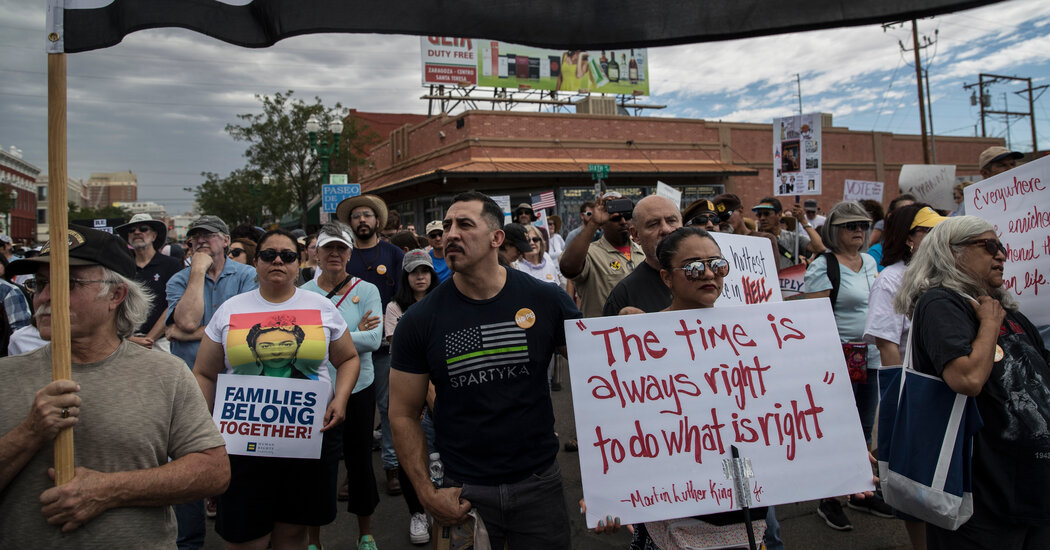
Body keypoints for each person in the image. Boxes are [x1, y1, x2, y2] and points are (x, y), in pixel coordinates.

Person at [0, 225, 229, 547]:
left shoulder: (165, 374)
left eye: (68, 283)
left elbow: (213, 471)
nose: (45, 297)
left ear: (116, 295)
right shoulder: (5, 376)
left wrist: (109, 490)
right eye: (40, 283)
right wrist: (30, 432)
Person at [389, 191, 581, 549]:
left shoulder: (546, 300)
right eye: (448, 225)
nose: (451, 234)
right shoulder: (418, 321)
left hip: (539, 484)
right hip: (462, 491)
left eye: (465, 224)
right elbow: (402, 413)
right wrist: (427, 493)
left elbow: (602, 372)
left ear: (496, 238)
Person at [193, 228, 362, 549]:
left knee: (292, 534)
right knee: (245, 538)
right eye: (269, 255)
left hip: (307, 439)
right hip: (242, 442)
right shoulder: (230, 309)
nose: (278, 261)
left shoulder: (321, 307)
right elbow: (204, 373)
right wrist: (205, 427)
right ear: (256, 262)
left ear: (300, 262)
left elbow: (349, 358)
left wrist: (340, 400)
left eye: (287, 256)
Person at [894, 216, 1050, 549]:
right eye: (989, 246)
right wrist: (989, 324)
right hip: (983, 502)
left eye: (1002, 246)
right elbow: (967, 378)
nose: (1001, 255)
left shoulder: (1008, 312)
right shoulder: (941, 303)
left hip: (1032, 493)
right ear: (952, 253)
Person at [165, 214, 257, 541]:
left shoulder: (248, 275)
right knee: (190, 456)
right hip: (193, 382)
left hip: (239, 383)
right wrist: (197, 272)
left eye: (209, 235)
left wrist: (186, 334)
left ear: (226, 241)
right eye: (196, 237)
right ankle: (190, 541)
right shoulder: (179, 280)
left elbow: (243, 329)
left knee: (239, 458)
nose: (201, 241)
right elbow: (187, 320)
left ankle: (242, 532)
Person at [862, 203, 945, 550]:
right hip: (914, 393)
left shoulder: (943, 274)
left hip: (947, 391)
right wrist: (900, 408)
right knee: (916, 483)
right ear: (909, 238)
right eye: (929, 230)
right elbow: (887, 346)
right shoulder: (891, 280)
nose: (938, 235)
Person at [804, 200, 889, 531]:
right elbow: (813, 319)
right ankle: (829, 498)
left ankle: (860, 489)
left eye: (863, 225)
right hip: (837, 360)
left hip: (871, 357)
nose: (858, 231)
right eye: (850, 226)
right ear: (834, 231)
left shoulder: (870, 261)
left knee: (864, 427)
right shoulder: (822, 266)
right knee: (837, 427)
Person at [301, 222, 384, 550]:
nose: (335, 254)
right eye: (328, 248)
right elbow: (299, 343)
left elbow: (375, 339)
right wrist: (352, 334)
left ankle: (365, 534)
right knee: (316, 467)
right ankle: (313, 540)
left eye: (341, 248)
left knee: (360, 462)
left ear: (350, 254)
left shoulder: (368, 290)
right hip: (316, 391)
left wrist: (325, 337)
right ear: (316, 254)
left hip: (359, 388)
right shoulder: (303, 294)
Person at [337, 194, 405, 496]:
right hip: (348, 350)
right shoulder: (343, 255)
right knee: (353, 413)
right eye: (356, 216)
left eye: (367, 215)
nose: (362, 220)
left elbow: (403, 298)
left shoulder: (393, 254)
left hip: (385, 350)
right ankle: (356, 471)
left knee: (390, 409)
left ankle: (391, 466)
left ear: (378, 221)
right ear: (350, 223)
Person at [384, 249, 441, 545]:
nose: (420, 276)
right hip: (408, 389)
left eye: (425, 271)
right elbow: (401, 350)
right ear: (406, 276)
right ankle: (417, 512)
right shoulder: (395, 307)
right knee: (411, 452)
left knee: (446, 452)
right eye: (414, 272)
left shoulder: (445, 301)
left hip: (443, 386)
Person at [560, 194, 644, 317]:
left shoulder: (645, 252)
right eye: (615, 218)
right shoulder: (589, 254)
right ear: (603, 223)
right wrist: (593, 223)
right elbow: (568, 266)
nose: (623, 222)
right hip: (605, 329)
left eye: (627, 216)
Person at [602, 195, 682, 316]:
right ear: (635, 235)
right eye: (653, 224)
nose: (666, 229)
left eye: (671, 221)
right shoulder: (624, 296)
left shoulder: (705, 277)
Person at [116, 213, 183, 352]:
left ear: (154, 236)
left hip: (161, 342)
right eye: (131, 230)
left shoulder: (171, 265)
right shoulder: (120, 267)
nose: (137, 232)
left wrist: (149, 338)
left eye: (143, 228)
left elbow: (174, 304)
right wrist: (130, 338)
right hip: (126, 340)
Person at [753, 196, 825, 269]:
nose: (762, 218)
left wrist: (803, 221)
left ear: (779, 215)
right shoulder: (755, 240)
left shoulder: (794, 238)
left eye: (766, 214)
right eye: (759, 215)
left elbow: (820, 248)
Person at [713, 193, 778, 258]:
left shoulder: (765, 240)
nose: (722, 222)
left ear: (740, 210)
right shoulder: (716, 244)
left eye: (726, 216)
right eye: (718, 219)